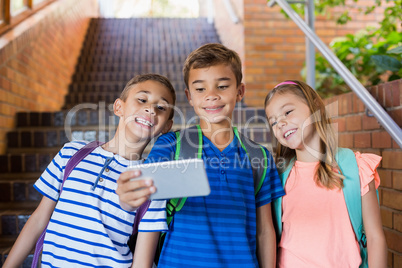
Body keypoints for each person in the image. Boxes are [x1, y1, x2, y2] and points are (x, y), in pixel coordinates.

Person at [117, 43, 285, 268]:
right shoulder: (170, 145)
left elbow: (265, 230)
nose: (212, 96)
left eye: (223, 86)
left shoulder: (259, 156)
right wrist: (129, 197)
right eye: (200, 89)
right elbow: (148, 211)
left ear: (240, 91)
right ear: (189, 96)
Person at [3, 73, 176, 267]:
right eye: (142, 99)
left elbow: (142, 263)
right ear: (119, 107)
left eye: (161, 107)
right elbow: (38, 219)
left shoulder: (152, 182)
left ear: (166, 126)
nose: (151, 109)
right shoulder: (72, 153)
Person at [264, 80, 387, 267]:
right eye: (273, 122)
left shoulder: (356, 166)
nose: (280, 123)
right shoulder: (277, 177)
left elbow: (375, 237)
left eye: (288, 112)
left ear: (314, 105)